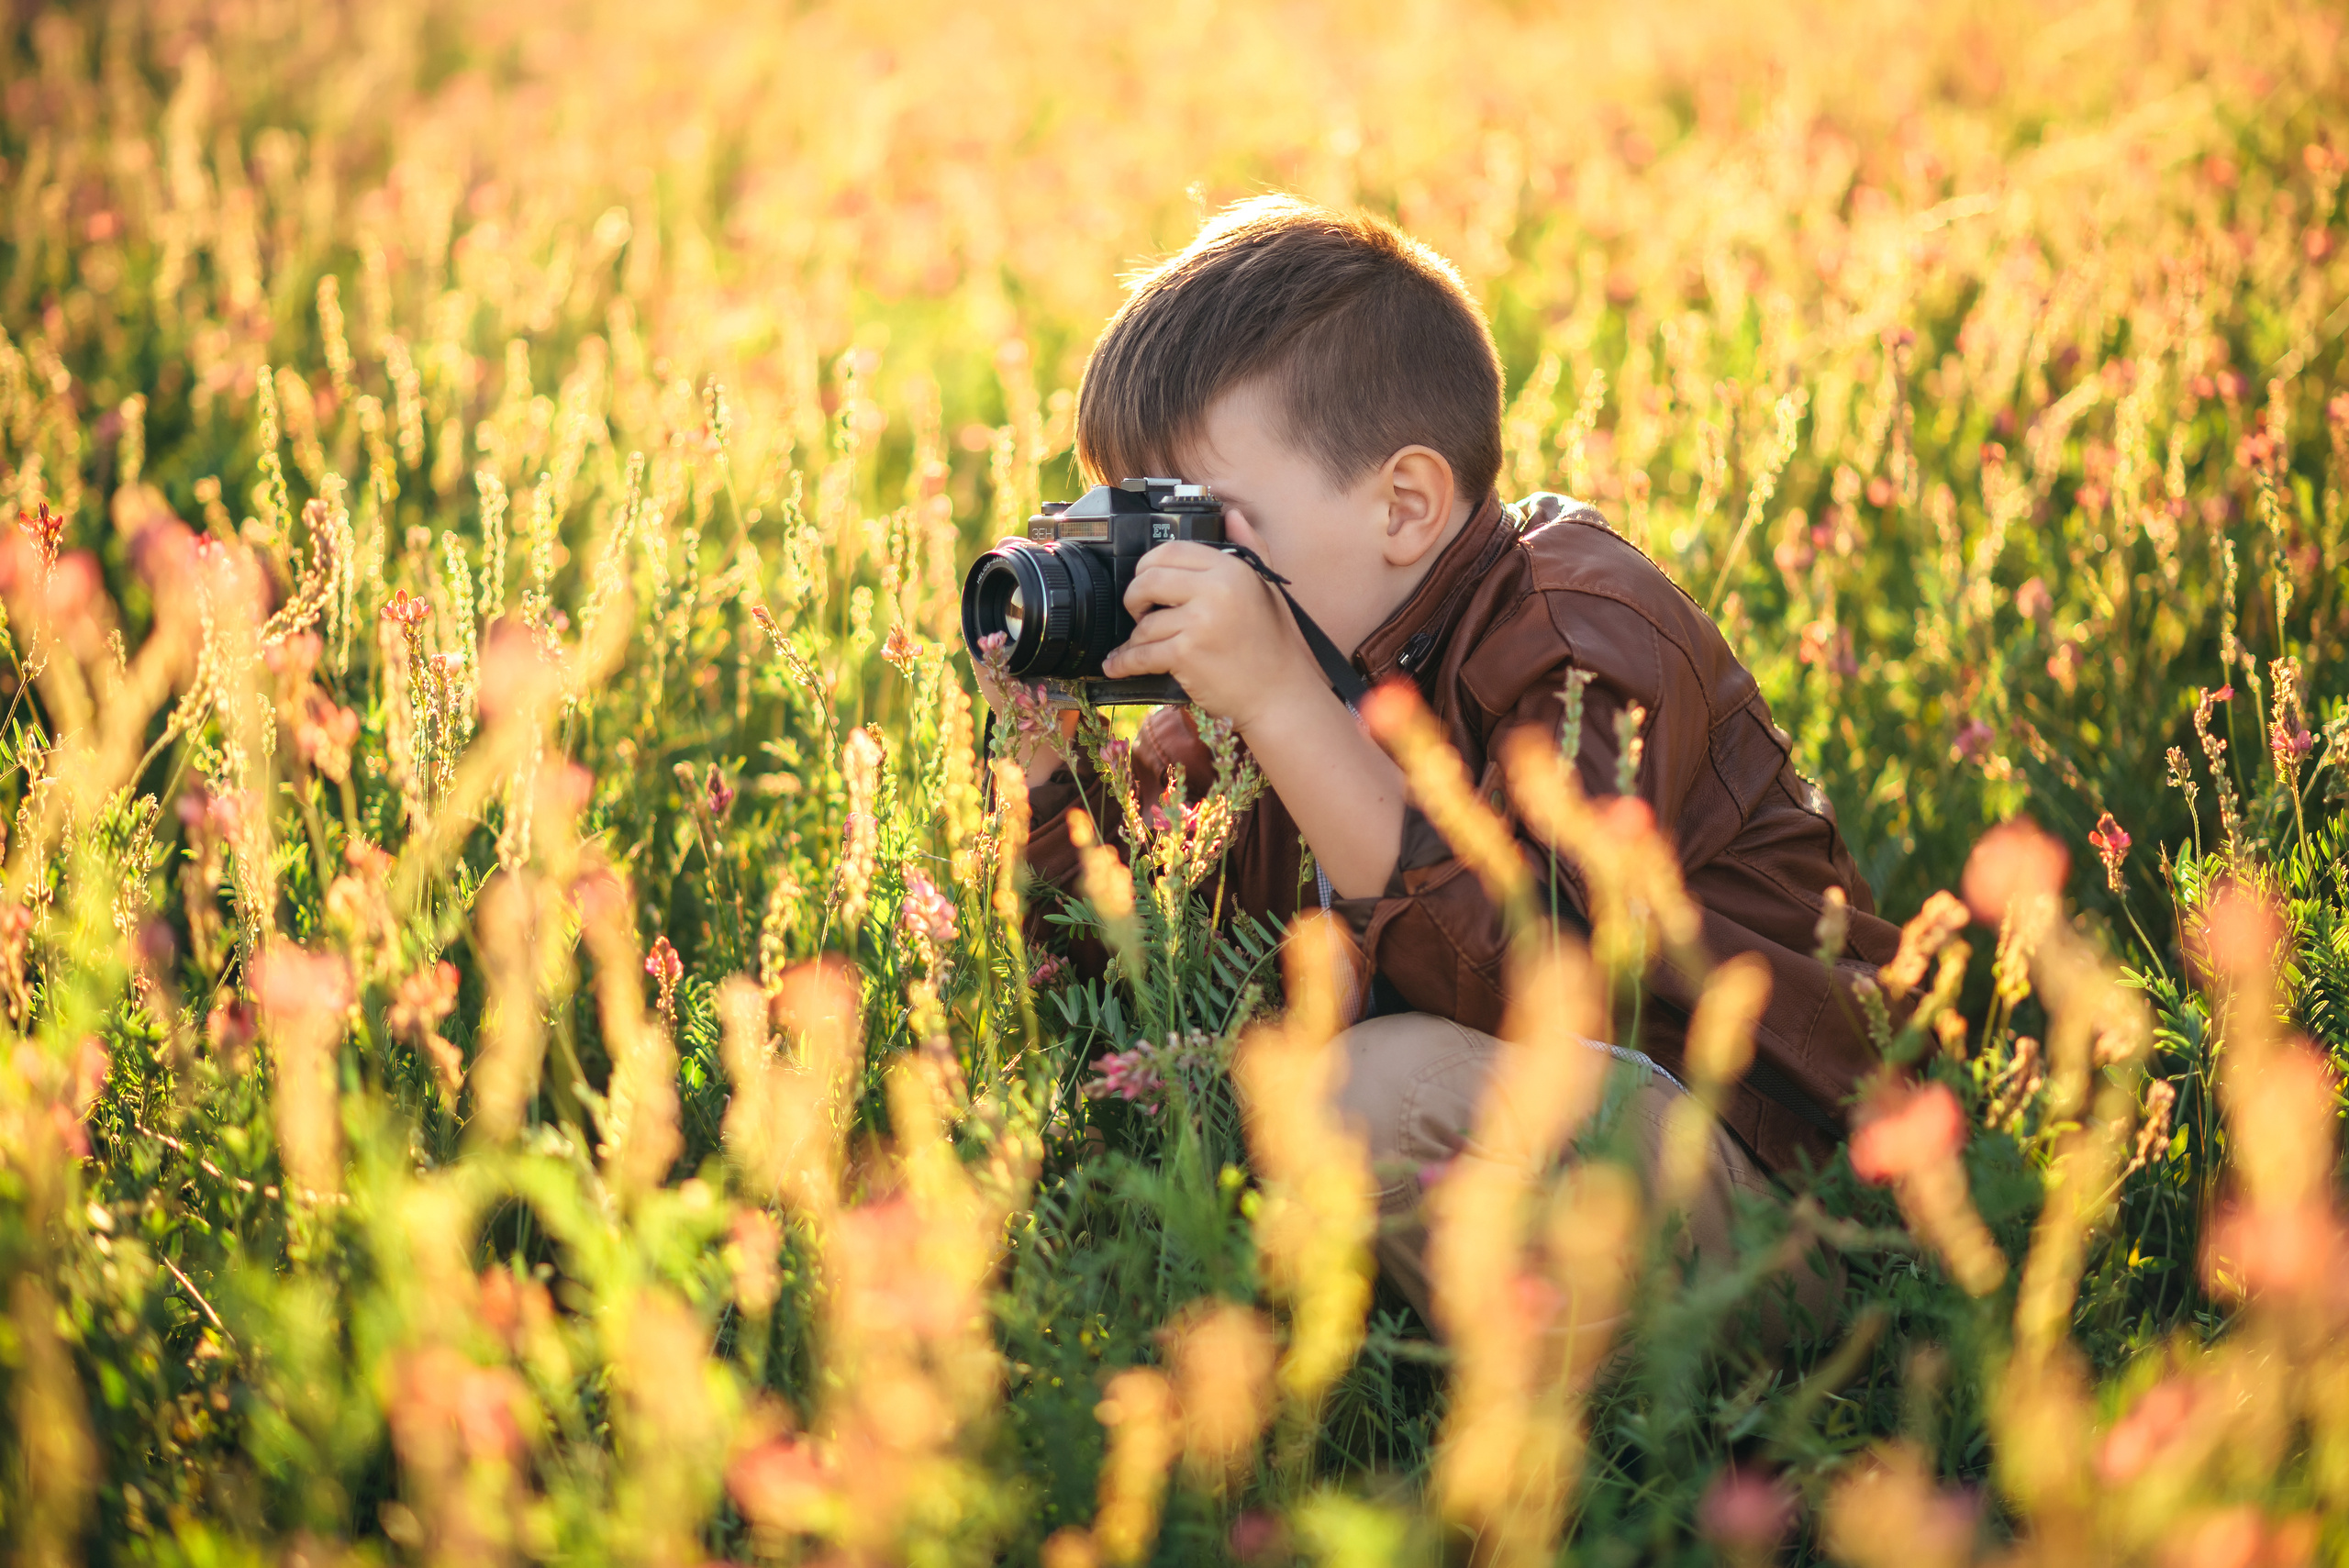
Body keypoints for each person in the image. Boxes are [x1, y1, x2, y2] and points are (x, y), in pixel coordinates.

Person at [992, 195, 1896, 1336]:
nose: (1168, 573)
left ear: (1404, 506)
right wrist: (1050, 774)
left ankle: (1602, 1426)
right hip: (1553, 1176)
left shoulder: (1576, 634)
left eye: (1204, 524)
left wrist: (1284, 705)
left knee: (1377, 1091)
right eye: (1135, 525)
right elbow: (1129, 1003)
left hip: (1773, 1195)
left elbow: (1545, 985)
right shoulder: (1267, 687)